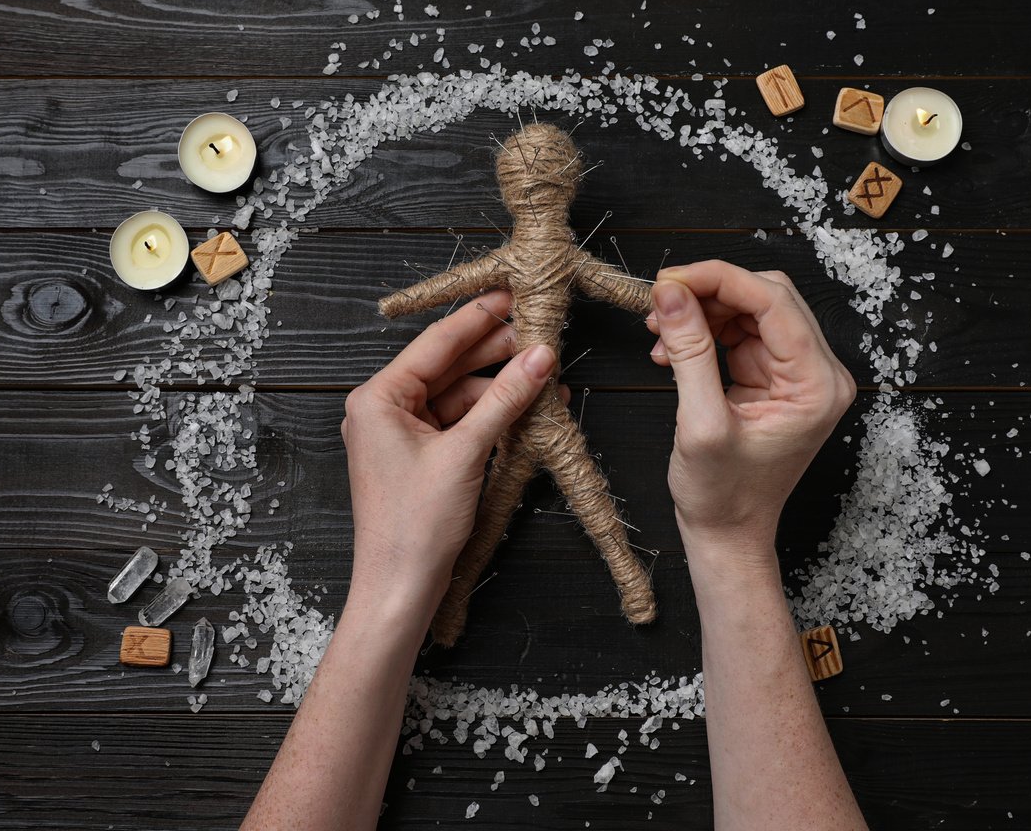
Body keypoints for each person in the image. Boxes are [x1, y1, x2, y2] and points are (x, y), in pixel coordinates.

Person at [242, 260, 868, 830]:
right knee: (523, 515)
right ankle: (546, 593)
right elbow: (601, 288)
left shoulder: (544, 259)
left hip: (540, 416)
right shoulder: (531, 262)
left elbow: (599, 286)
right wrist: (730, 537)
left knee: (557, 509)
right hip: (536, 415)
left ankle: (506, 600)